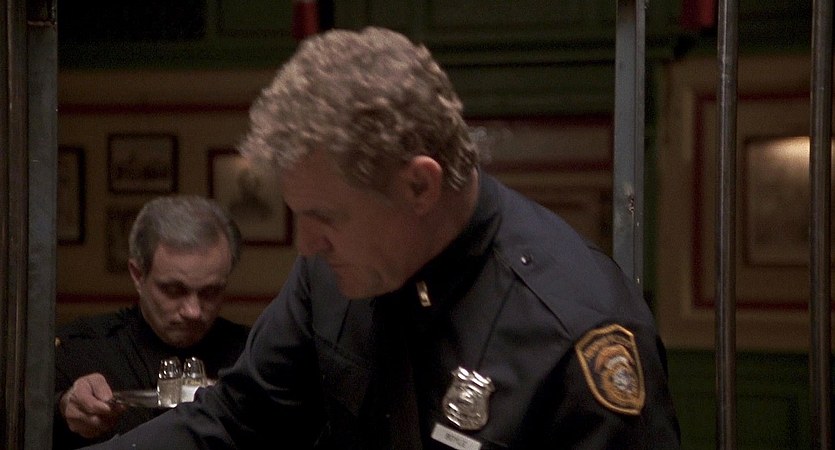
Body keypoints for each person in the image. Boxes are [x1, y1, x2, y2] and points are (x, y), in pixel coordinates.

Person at [82, 27, 680, 449]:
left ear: (419, 186)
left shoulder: (573, 327)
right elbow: (237, 419)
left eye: (325, 217)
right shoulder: (332, 271)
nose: (306, 245)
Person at [54, 195, 250, 449]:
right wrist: (63, 405)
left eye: (211, 292)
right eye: (174, 290)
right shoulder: (79, 350)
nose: (193, 311)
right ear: (138, 275)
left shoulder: (253, 355)